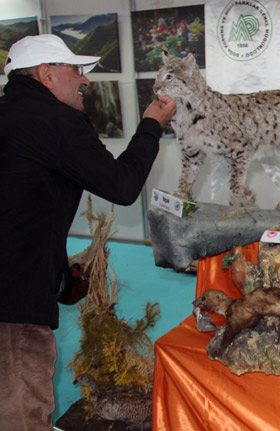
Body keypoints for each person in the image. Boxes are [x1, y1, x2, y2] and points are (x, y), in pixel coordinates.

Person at [0, 34, 176, 430]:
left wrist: (60, 273)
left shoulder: (9, 115)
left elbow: (18, 209)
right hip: (12, 307)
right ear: (46, 74)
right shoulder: (55, 121)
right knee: (21, 413)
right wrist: (151, 125)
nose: (87, 81)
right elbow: (121, 185)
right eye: (76, 70)